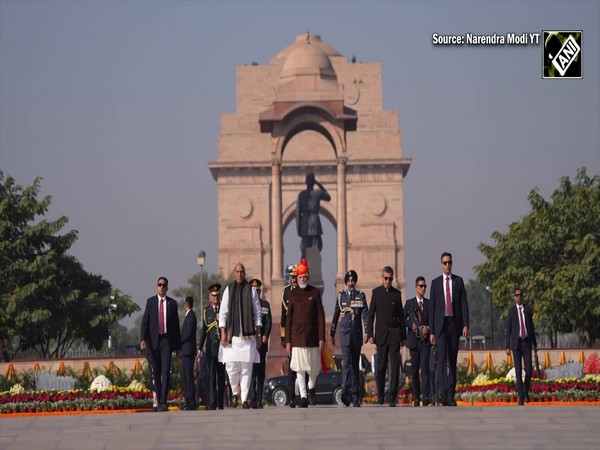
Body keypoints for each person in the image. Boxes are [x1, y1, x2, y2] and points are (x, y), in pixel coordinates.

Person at [218, 263, 262, 409]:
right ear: (234, 273)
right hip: (232, 337)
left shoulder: (251, 291)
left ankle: (243, 399)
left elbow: (257, 313)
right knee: (231, 367)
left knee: (246, 369)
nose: (239, 274)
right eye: (237, 271)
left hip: (248, 337)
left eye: (242, 272)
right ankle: (235, 394)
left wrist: (258, 333)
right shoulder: (228, 290)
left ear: (245, 273)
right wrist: (223, 332)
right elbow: (223, 312)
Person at [429, 252, 469, 407]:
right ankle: (441, 393)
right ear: (441, 264)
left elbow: (463, 304)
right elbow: (432, 309)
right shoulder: (435, 283)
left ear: (452, 264)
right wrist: (432, 331)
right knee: (441, 360)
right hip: (440, 326)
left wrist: (466, 324)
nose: (447, 265)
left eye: (449, 262)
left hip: (454, 324)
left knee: (452, 360)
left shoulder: (458, 281)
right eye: (445, 263)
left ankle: (451, 395)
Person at [285, 259, 325, 408]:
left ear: (308, 277)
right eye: (300, 277)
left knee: (314, 369)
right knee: (300, 368)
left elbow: (320, 316)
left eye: (304, 277)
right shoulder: (293, 294)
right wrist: (288, 341)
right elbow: (288, 319)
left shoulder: (314, 292)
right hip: (297, 338)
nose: (302, 279)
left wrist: (322, 338)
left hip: (313, 337)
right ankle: (303, 397)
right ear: (297, 278)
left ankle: (311, 386)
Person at [367, 266, 407, 407]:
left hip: (395, 335)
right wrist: (370, 334)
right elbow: (370, 316)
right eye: (385, 278)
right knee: (381, 367)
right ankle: (381, 395)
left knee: (394, 367)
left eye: (390, 279)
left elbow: (401, 317)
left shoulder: (397, 294)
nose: (388, 281)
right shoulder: (376, 293)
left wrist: (404, 337)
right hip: (381, 335)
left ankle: (393, 397)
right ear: (382, 278)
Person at [140, 276, 181, 412]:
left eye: (164, 285)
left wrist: (178, 347)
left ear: (167, 288)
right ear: (156, 287)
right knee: (156, 373)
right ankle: (158, 401)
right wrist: (143, 339)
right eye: (159, 285)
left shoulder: (172, 304)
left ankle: (163, 401)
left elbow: (176, 326)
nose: (161, 287)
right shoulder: (150, 302)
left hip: (166, 342)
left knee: (165, 372)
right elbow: (145, 322)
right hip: (153, 341)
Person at [330, 269, 369, 407]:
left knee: (354, 366)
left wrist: (367, 333)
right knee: (346, 364)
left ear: (355, 282)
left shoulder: (361, 296)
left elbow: (365, 316)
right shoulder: (341, 297)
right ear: (346, 282)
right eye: (349, 280)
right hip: (345, 335)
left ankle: (356, 396)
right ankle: (345, 392)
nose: (351, 282)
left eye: (353, 280)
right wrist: (332, 333)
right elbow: (335, 315)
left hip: (357, 336)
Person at [505, 288, 537, 405]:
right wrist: (507, 346)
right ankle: (521, 397)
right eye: (517, 295)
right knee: (518, 371)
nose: (519, 297)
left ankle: (525, 391)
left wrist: (535, 344)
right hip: (516, 344)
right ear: (514, 297)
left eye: (520, 295)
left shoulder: (527, 309)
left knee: (528, 370)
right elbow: (508, 330)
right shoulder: (512, 311)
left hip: (526, 343)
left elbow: (531, 328)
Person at [404, 276, 431, 407]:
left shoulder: (429, 303)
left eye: (425, 286)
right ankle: (416, 396)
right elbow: (402, 319)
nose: (423, 288)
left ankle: (425, 396)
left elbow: (433, 320)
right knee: (414, 371)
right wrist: (411, 325)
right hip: (414, 342)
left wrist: (428, 328)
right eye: (421, 286)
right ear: (416, 287)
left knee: (425, 369)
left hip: (425, 341)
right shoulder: (409, 303)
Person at [199, 283, 226, 410]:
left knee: (221, 377)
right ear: (210, 297)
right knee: (211, 377)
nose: (216, 298)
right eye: (214, 296)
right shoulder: (206, 312)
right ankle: (212, 402)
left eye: (218, 295)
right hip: (210, 349)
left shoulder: (224, 309)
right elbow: (203, 331)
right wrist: (200, 348)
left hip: (222, 349)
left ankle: (220, 402)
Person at [296, 171, 331, 258]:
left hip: (305, 223)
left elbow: (297, 214)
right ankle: (314, 268)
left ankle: (303, 270)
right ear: (313, 182)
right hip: (315, 222)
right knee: (315, 248)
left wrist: (299, 229)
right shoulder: (317, 193)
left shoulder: (301, 195)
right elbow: (328, 196)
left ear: (306, 182)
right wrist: (319, 184)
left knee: (304, 250)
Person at [249, 279, 272, 408]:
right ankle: (252, 399)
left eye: (257, 290)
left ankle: (259, 399)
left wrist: (265, 335)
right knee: (251, 372)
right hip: (250, 343)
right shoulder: (247, 306)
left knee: (260, 373)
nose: (256, 293)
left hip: (261, 344)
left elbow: (268, 321)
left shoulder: (265, 305)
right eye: (254, 290)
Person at [281, 264, 300, 407]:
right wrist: (283, 338)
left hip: (303, 334)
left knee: (303, 366)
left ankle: (303, 395)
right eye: (292, 277)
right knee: (292, 367)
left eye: (296, 277)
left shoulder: (305, 290)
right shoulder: (285, 292)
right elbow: (283, 317)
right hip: (291, 336)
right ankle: (292, 397)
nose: (294, 279)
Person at [180, 296, 197, 410]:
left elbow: (189, 333)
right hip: (185, 351)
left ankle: (191, 401)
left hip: (188, 350)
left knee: (188, 376)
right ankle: (187, 399)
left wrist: (179, 341)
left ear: (186, 305)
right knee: (185, 377)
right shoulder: (189, 316)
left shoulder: (191, 316)